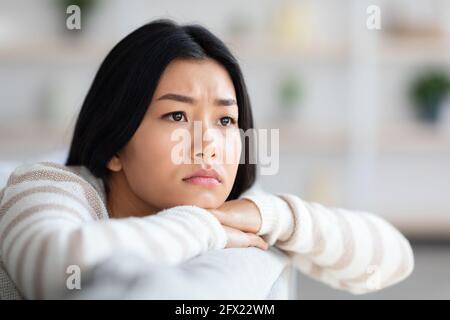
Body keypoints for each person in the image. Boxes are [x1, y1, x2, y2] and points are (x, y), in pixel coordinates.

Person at [0, 19, 413, 300]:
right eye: (177, 116)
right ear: (114, 146)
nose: (208, 144)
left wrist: (277, 216)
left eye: (225, 119)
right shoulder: (48, 184)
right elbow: (54, 268)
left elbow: (395, 257)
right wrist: (206, 227)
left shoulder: (238, 209)